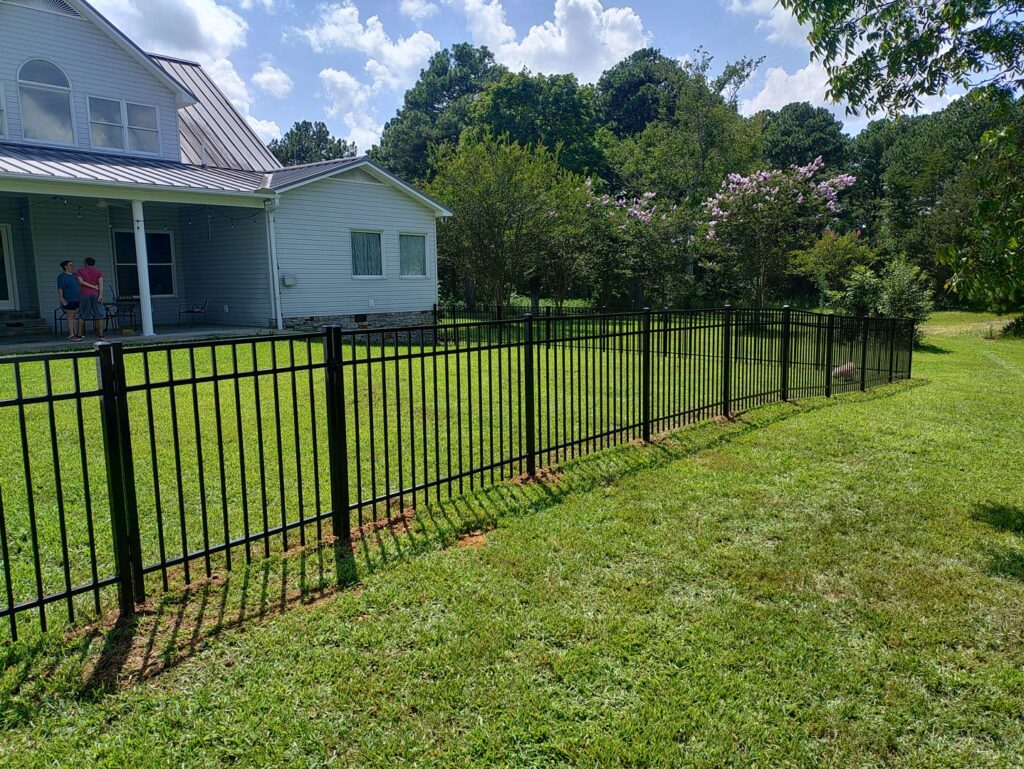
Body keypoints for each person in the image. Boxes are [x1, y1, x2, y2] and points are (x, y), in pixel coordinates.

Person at [76, 257, 105, 340]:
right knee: (99, 314)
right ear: (94, 264)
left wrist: (92, 287)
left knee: (82, 315)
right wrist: (100, 295)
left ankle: (79, 334)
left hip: (84, 294)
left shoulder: (80, 271)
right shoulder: (98, 272)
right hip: (95, 294)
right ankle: (101, 334)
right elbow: (101, 284)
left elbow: (81, 282)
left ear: (85, 263)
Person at [57, 260, 82, 341]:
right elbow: (60, 288)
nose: (72, 266)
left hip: (78, 298)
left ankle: (76, 333)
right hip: (69, 299)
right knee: (70, 316)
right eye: (70, 265)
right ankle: (71, 334)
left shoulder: (75, 275)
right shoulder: (62, 277)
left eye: (72, 265)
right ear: (65, 266)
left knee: (76, 316)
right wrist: (61, 298)